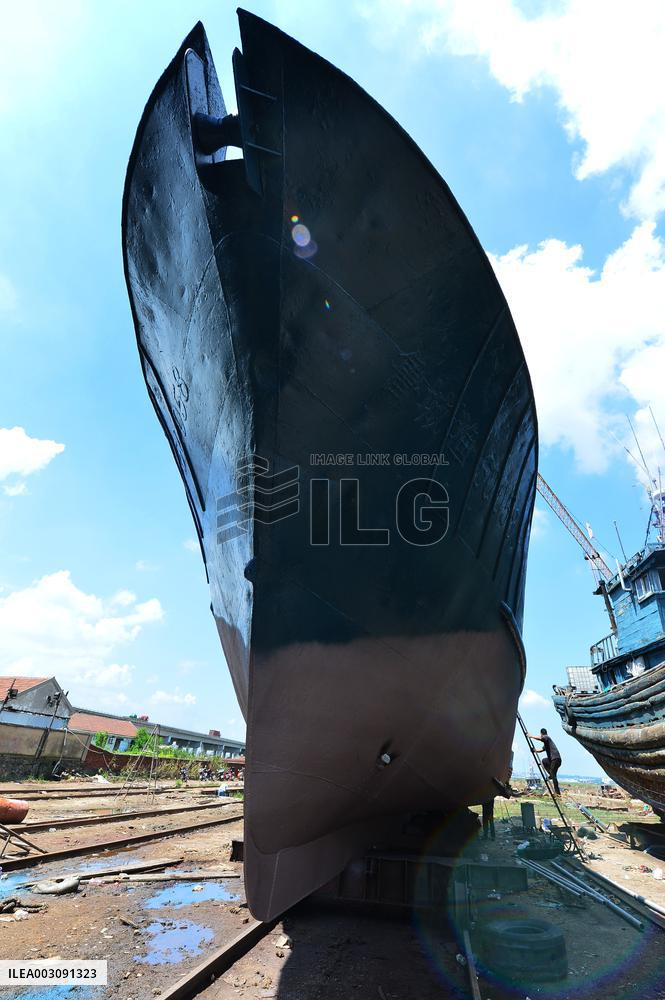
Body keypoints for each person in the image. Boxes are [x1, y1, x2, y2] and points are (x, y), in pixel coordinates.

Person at [529, 728, 562, 794]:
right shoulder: (547, 742)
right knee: (544, 761)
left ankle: (557, 793)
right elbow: (541, 750)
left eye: (540, 735)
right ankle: (551, 775)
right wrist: (534, 750)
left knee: (553, 774)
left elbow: (541, 738)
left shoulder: (546, 737)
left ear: (541, 734)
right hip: (554, 760)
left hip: (555, 759)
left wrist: (531, 736)